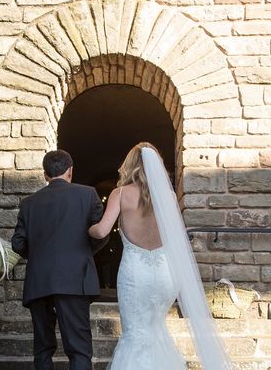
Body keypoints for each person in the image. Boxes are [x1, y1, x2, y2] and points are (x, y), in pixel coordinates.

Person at [89, 143, 233, 370]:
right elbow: (176, 237)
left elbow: (101, 231)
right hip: (165, 274)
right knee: (157, 330)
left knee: (135, 334)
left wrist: (87, 227)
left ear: (131, 166)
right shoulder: (168, 196)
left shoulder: (121, 194)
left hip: (135, 274)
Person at [12, 149, 108, 370]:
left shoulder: (28, 203)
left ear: (45, 175)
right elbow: (100, 233)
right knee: (79, 349)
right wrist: (82, 251)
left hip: (39, 281)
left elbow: (18, 243)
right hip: (75, 280)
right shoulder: (88, 194)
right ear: (70, 171)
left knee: (43, 348)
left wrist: (38, 255)